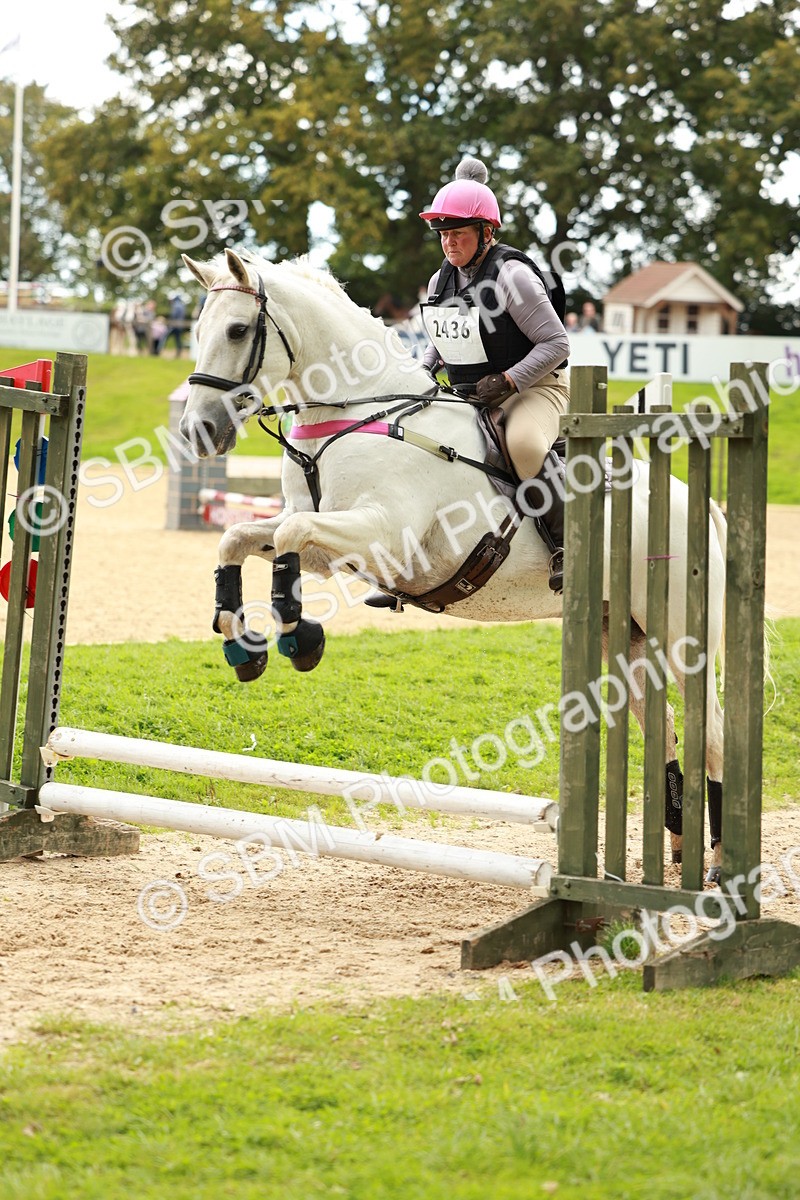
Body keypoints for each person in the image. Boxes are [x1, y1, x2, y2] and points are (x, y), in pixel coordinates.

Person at [420, 157, 569, 592]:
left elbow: (558, 344)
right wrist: (422, 373)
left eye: (458, 234)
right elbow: (441, 338)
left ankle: (567, 545)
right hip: (472, 393)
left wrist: (509, 380)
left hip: (536, 388)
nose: (449, 243)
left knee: (521, 444)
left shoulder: (513, 276)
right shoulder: (439, 280)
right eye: (444, 234)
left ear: (486, 233)